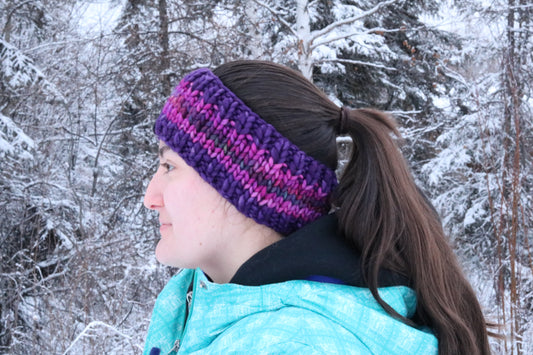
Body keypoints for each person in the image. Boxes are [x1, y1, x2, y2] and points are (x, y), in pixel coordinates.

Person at [142, 60, 491, 354]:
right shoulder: (198, 301)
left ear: (249, 183)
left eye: (169, 167)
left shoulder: (291, 345)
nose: (150, 197)